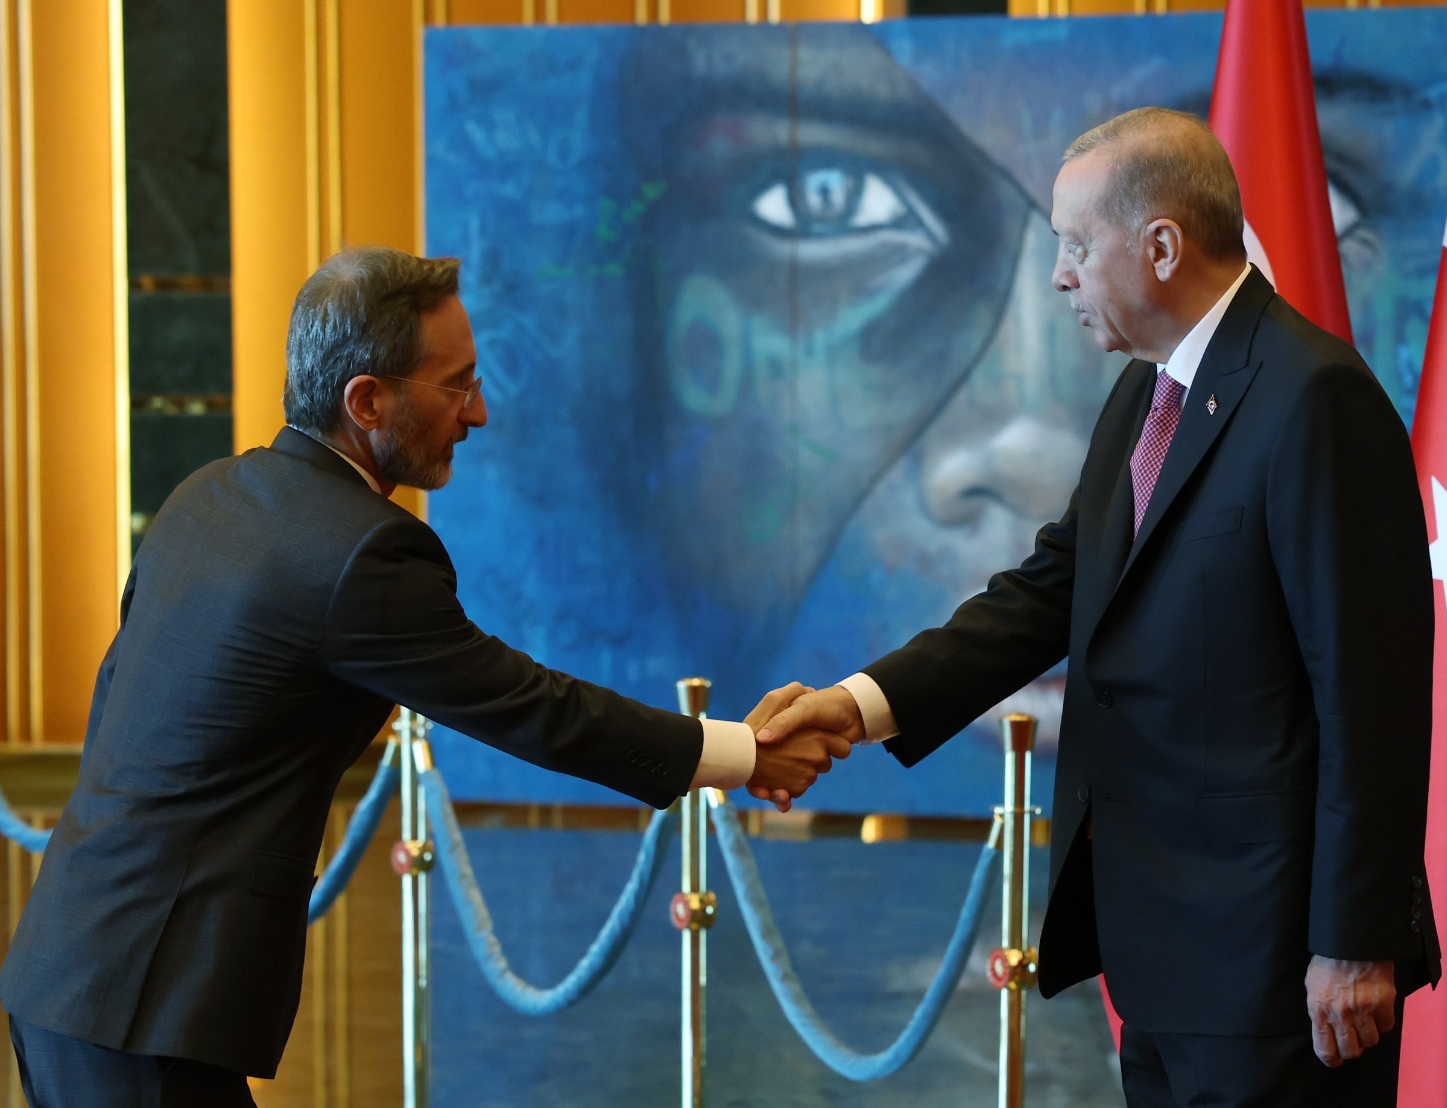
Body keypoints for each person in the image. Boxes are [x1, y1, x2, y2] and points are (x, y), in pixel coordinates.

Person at [0, 246, 849, 1106]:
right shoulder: (362, 551)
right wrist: (743, 753)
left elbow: (115, 704)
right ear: (366, 401)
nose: (478, 411)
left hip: (64, 970)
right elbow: (533, 709)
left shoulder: (206, 496)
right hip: (149, 1004)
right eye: (457, 385)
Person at [756, 108, 1439, 1106]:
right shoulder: (1142, 396)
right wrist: (857, 707)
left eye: (1075, 245)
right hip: (1159, 955)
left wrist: (1353, 939)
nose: (1059, 276)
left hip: (1280, 963)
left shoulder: (1313, 397)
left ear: (1161, 246)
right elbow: (1047, 594)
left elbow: (1370, 699)